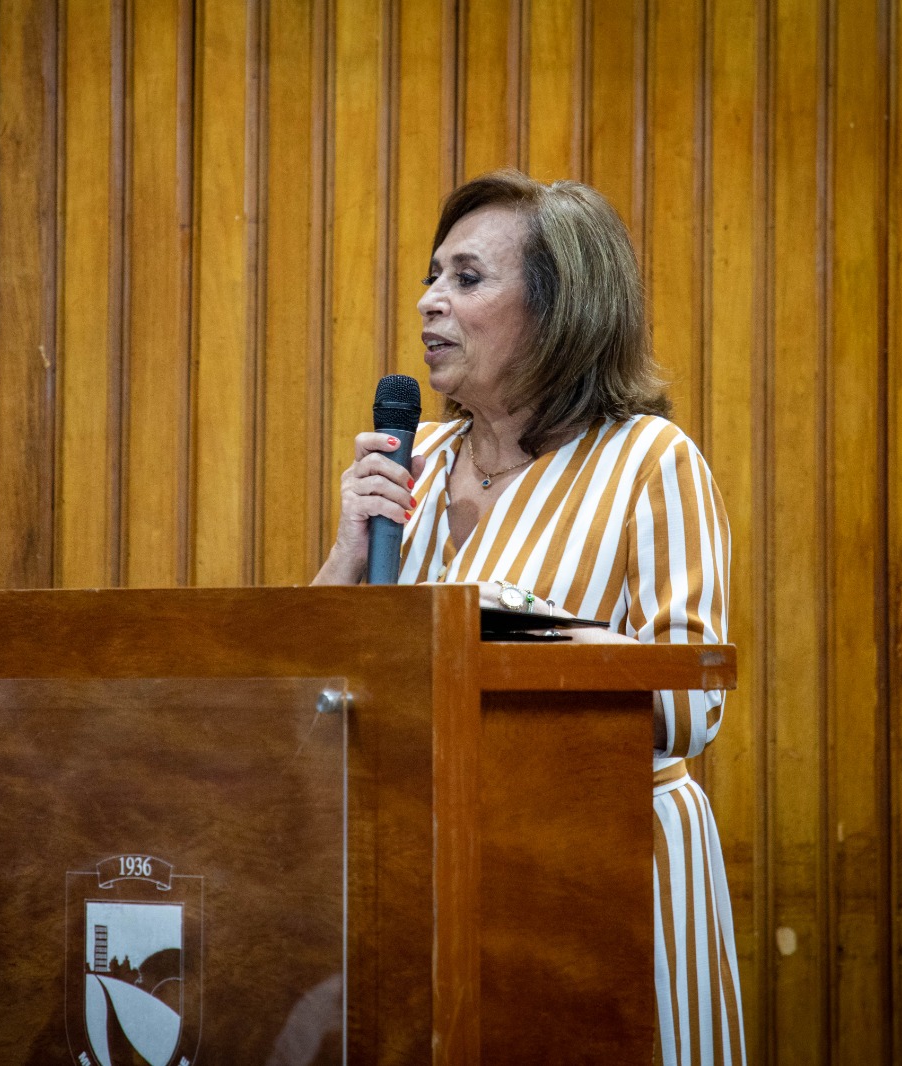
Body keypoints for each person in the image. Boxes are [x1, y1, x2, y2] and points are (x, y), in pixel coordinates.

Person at [313, 169, 743, 1065]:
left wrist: (513, 627)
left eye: (466, 279)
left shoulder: (649, 461)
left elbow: (695, 706)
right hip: (435, 865)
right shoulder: (411, 461)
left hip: (607, 873)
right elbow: (320, 684)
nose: (430, 302)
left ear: (560, 310)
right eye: (432, 277)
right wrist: (349, 553)